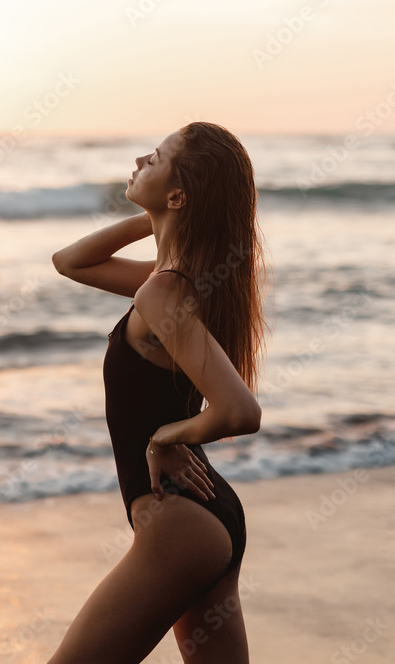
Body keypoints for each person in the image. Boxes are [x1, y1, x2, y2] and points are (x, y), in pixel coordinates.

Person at [48, 122, 268, 663]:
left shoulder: (166, 290)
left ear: (179, 194)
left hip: (180, 527)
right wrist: (158, 217)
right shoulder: (178, 279)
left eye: (158, 157)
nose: (141, 157)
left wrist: (163, 438)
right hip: (209, 517)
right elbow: (70, 262)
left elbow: (239, 411)